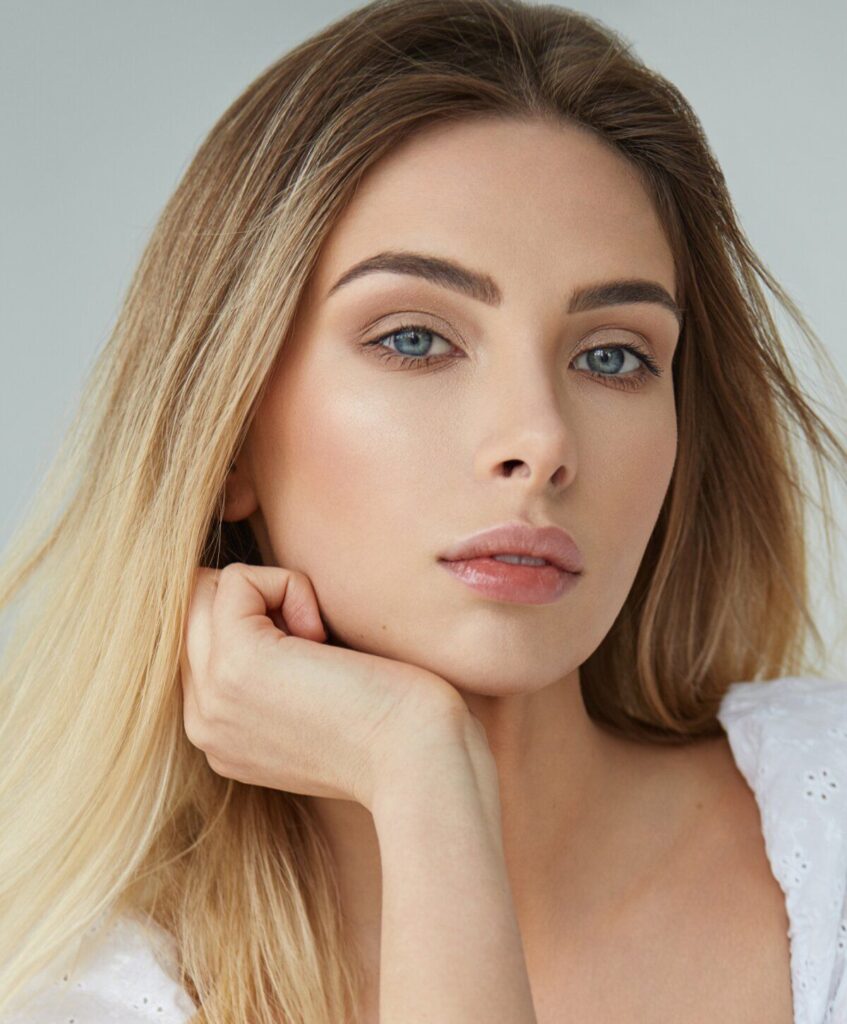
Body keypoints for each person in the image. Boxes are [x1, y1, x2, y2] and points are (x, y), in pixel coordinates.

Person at [1, 1, 845, 1022]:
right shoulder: (94, 996)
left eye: (612, 355)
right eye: (413, 339)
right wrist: (418, 771)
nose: (540, 439)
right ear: (227, 437)